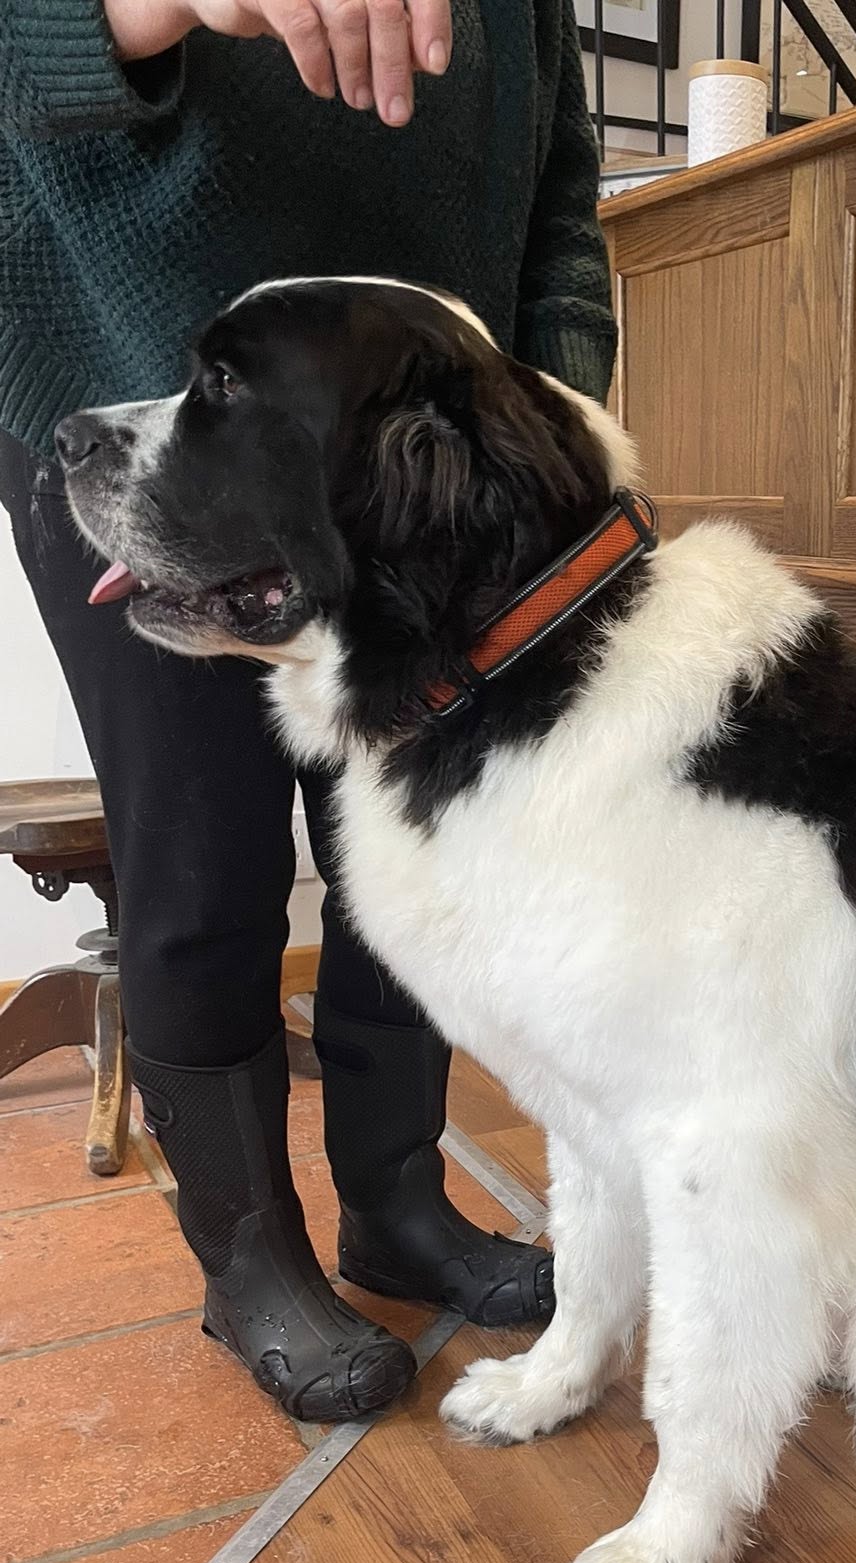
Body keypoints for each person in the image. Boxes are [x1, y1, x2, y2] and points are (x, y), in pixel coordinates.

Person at [1, 0, 616, 1420]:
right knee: (206, 862)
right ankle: (249, 1263)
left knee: (403, 854)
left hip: (404, 472)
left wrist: (539, 430)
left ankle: (395, 1207)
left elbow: (560, 207)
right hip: (124, 393)